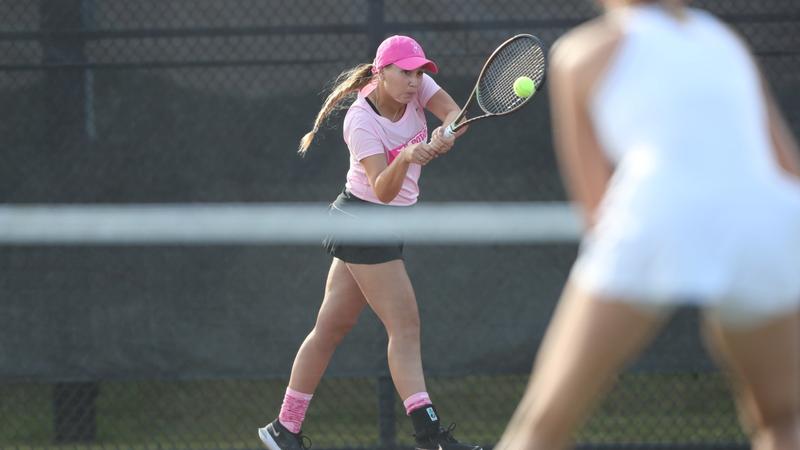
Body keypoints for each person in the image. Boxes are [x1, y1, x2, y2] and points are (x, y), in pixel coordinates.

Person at [495, 1, 800, 449]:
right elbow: (787, 169)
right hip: (767, 225)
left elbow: (594, 209)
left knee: (542, 426)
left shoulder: (581, 53)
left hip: (655, 217)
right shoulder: (725, 42)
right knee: (784, 418)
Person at [257, 35, 480, 450]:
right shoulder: (360, 121)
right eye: (405, 72)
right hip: (363, 221)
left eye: (419, 72)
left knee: (330, 328)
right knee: (405, 325)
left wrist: (448, 132)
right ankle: (430, 437)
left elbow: (454, 114)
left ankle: (283, 429)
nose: (415, 82)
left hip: (380, 223)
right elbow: (382, 188)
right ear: (382, 72)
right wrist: (411, 156)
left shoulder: (419, 88)